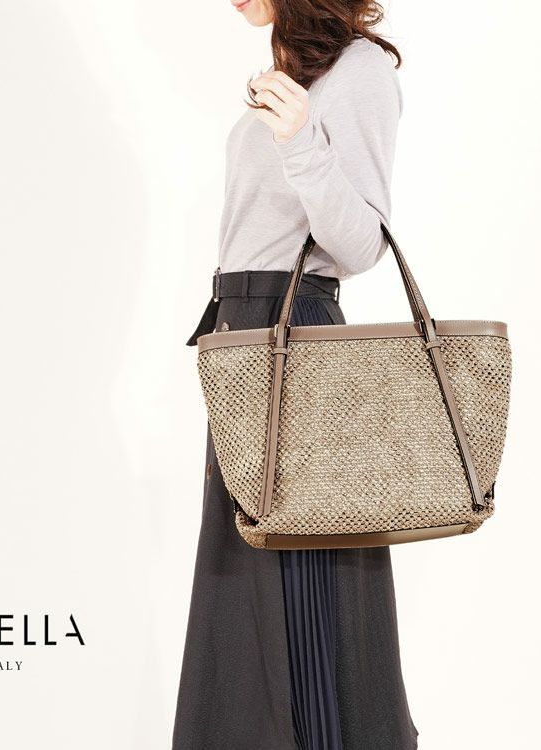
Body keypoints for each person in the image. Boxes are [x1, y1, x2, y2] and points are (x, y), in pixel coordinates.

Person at [173, 1, 420, 749]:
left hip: (295, 338)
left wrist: (300, 140)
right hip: (244, 333)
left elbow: (361, 244)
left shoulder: (361, 70)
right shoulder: (291, 68)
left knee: (301, 569)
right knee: (244, 579)